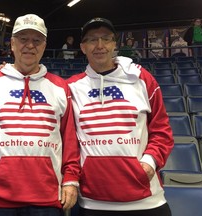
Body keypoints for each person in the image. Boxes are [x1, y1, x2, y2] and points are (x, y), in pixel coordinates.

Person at [0, 14, 80, 216]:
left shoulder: (60, 87)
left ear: (44, 45)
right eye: (23, 39)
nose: (30, 45)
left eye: (36, 40)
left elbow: (69, 140)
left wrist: (70, 180)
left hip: (47, 198)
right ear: (12, 44)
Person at [67, 17, 174, 216]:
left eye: (106, 39)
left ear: (114, 44)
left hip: (147, 202)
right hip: (92, 203)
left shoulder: (142, 79)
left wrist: (149, 163)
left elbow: (162, 131)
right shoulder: (71, 87)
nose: (100, 45)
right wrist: (7, 71)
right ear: (82, 47)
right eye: (92, 40)